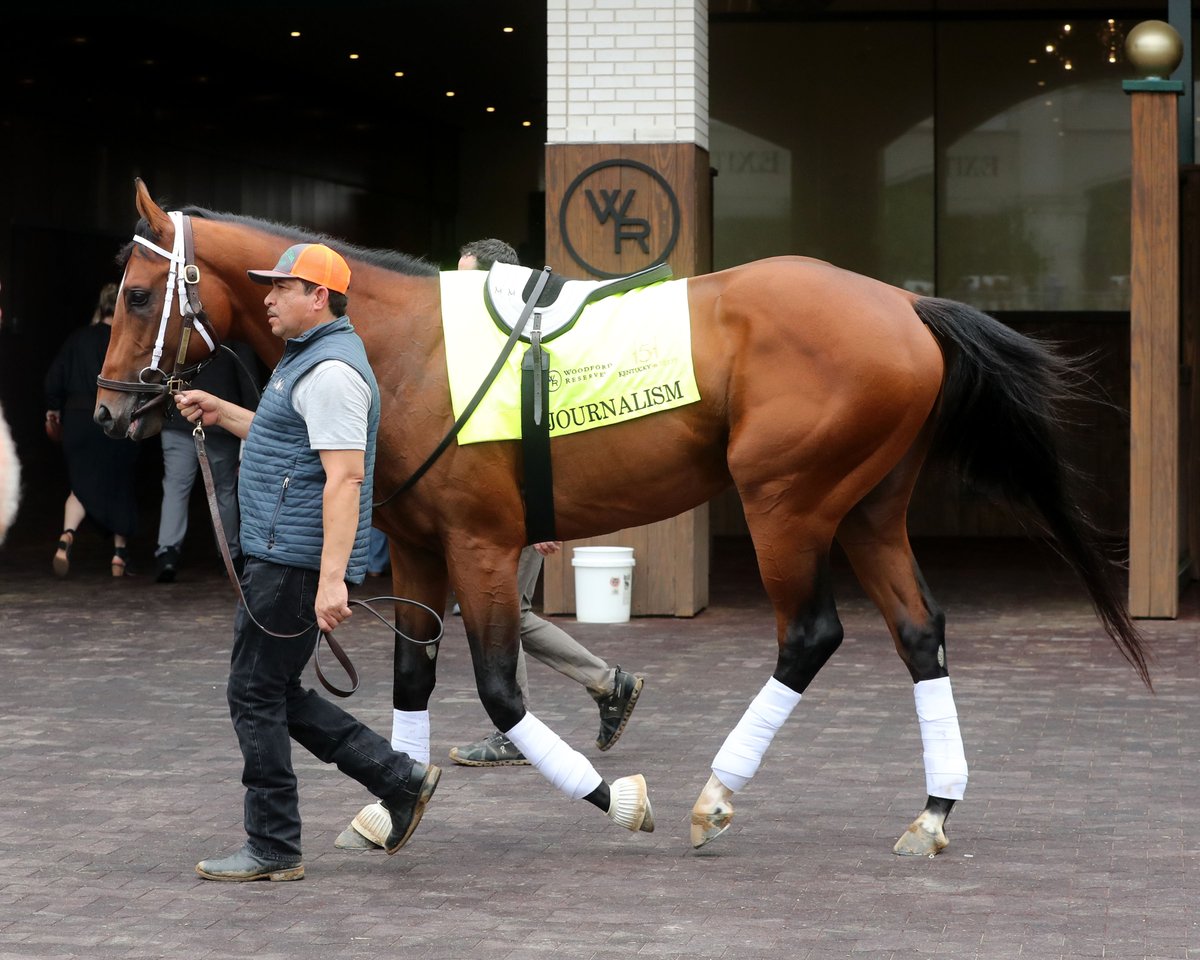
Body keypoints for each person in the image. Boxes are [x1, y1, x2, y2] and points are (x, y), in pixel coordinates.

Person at [175, 242, 439, 882]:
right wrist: (224, 412)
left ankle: (273, 844)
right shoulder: (306, 363)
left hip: (293, 563)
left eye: (280, 288)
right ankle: (397, 778)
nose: (266, 298)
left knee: (253, 692)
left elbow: (345, 480)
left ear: (317, 296)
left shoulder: (331, 374)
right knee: (271, 690)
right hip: (285, 557)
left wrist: (330, 582)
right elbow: (288, 434)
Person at [447, 239, 645, 767]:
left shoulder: (525, 344)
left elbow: (538, 435)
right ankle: (604, 685)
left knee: (499, 609)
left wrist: (538, 514)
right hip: (507, 504)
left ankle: (549, 713)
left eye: (468, 281)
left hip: (516, 504)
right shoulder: (492, 341)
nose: (456, 292)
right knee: (501, 609)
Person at [44, 282, 140, 577]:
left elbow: (53, 378)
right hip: (114, 420)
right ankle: (119, 556)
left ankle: (66, 536)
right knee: (119, 484)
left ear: (100, 306)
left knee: (80, 486)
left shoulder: (77, 338)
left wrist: (53, 408)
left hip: (76, 420)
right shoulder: (126, 339)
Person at [154, 341, 259, 583]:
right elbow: (248, 384)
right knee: (223, 491)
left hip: (178, 422)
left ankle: (167, 552)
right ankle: (229, 555)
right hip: (222, 428)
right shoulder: (234, 341)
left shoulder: (181, 333)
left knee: (175, 488)